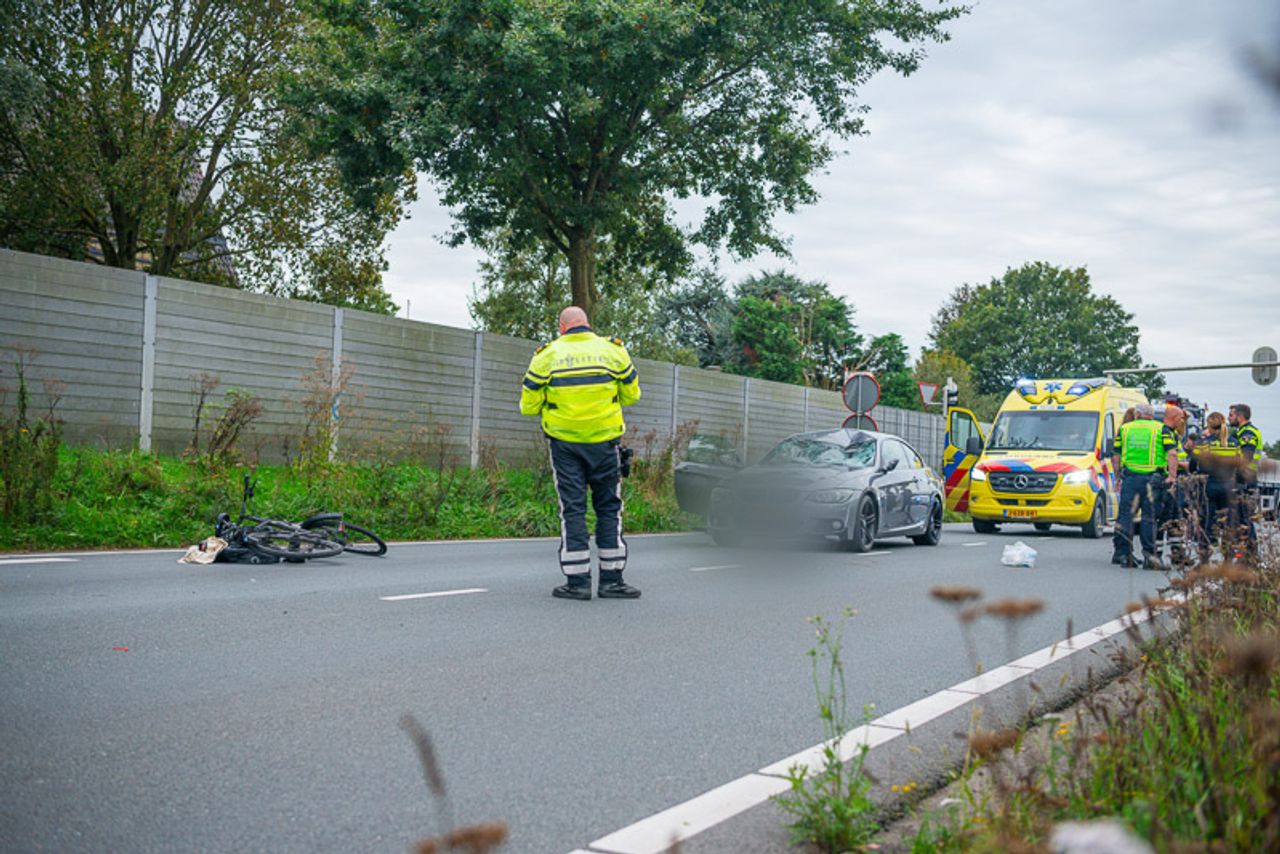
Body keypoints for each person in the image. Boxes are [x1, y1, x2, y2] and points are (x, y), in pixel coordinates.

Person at [520, 306, 642, 600]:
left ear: (562, 328)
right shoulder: (613, 351)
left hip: (565, 446)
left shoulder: (546, 356)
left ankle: (577, 583)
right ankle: (612, 580)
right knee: (609, 508)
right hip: (605, 444)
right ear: (587, 325)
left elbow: (528, 407)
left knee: (572, 509)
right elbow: (632, 395)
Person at [1111, 403, 1178, 569]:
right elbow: (1172, 453)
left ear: (1137, 414)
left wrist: (1118, 476)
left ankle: (1125, 555)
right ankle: (1150, 557)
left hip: (1130, 479)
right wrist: (1172, 476)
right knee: (1150, 518)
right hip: (1153, 480)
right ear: (1152, 415)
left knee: (1126, 516)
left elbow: (1116, 455)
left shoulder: (1125, 429)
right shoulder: (1162, 429)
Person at [1189, 411, 1237, 550]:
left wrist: (1194, 473)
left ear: (1209, 426)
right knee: (1228, 520)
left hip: (1209, 484)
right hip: (1227, 484)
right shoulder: (1234, 443)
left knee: (1207, 519)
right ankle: (1228, 553)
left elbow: (1193, 462)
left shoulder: (1204, 443)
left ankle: (1206, 550)